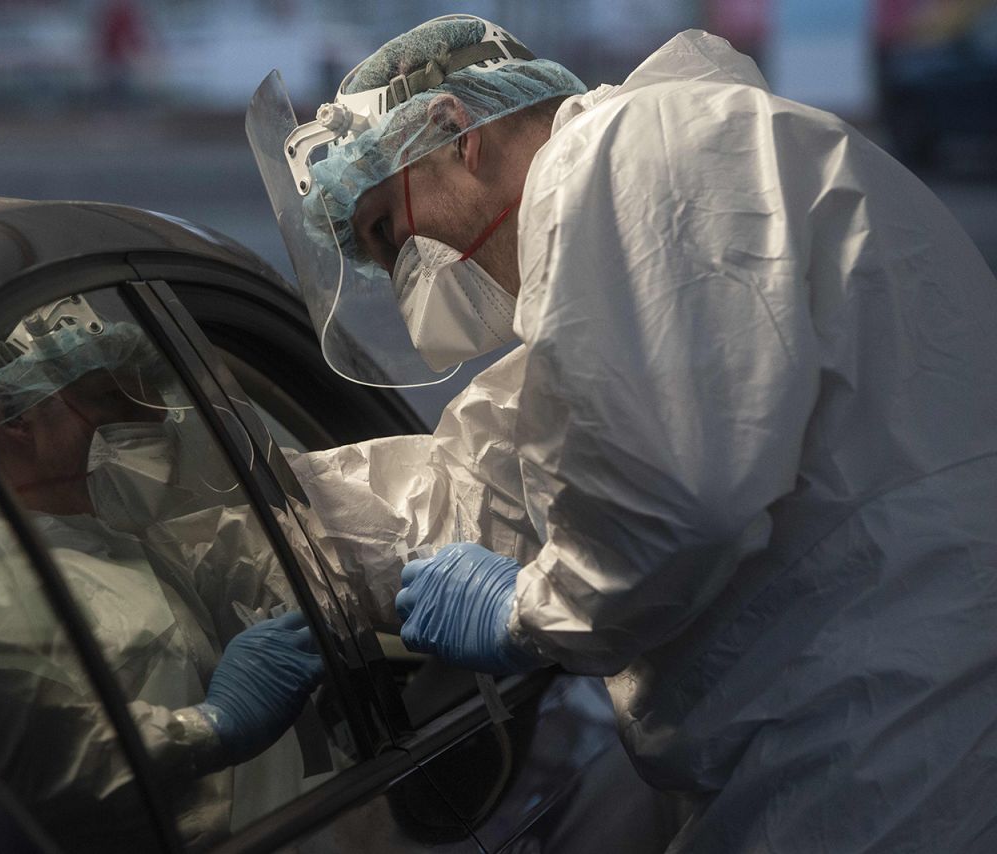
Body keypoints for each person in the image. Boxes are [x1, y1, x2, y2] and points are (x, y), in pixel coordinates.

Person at [255, 14, 997, 853]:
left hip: (880, 744)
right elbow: (492, 475)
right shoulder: (659, 179)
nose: (407, 278)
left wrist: (525, 615)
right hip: (872, 720)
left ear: (452, 131)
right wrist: (256, 536)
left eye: (390, 234)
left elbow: (678, 501)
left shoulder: (620, 163)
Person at [0, 295, 327, 847]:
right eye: (112, 398)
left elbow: (267, 550)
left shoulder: (110, 531)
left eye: (147, 393)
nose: (156, 416)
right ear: (12, 414)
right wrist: (210, 730)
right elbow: (36, 766)